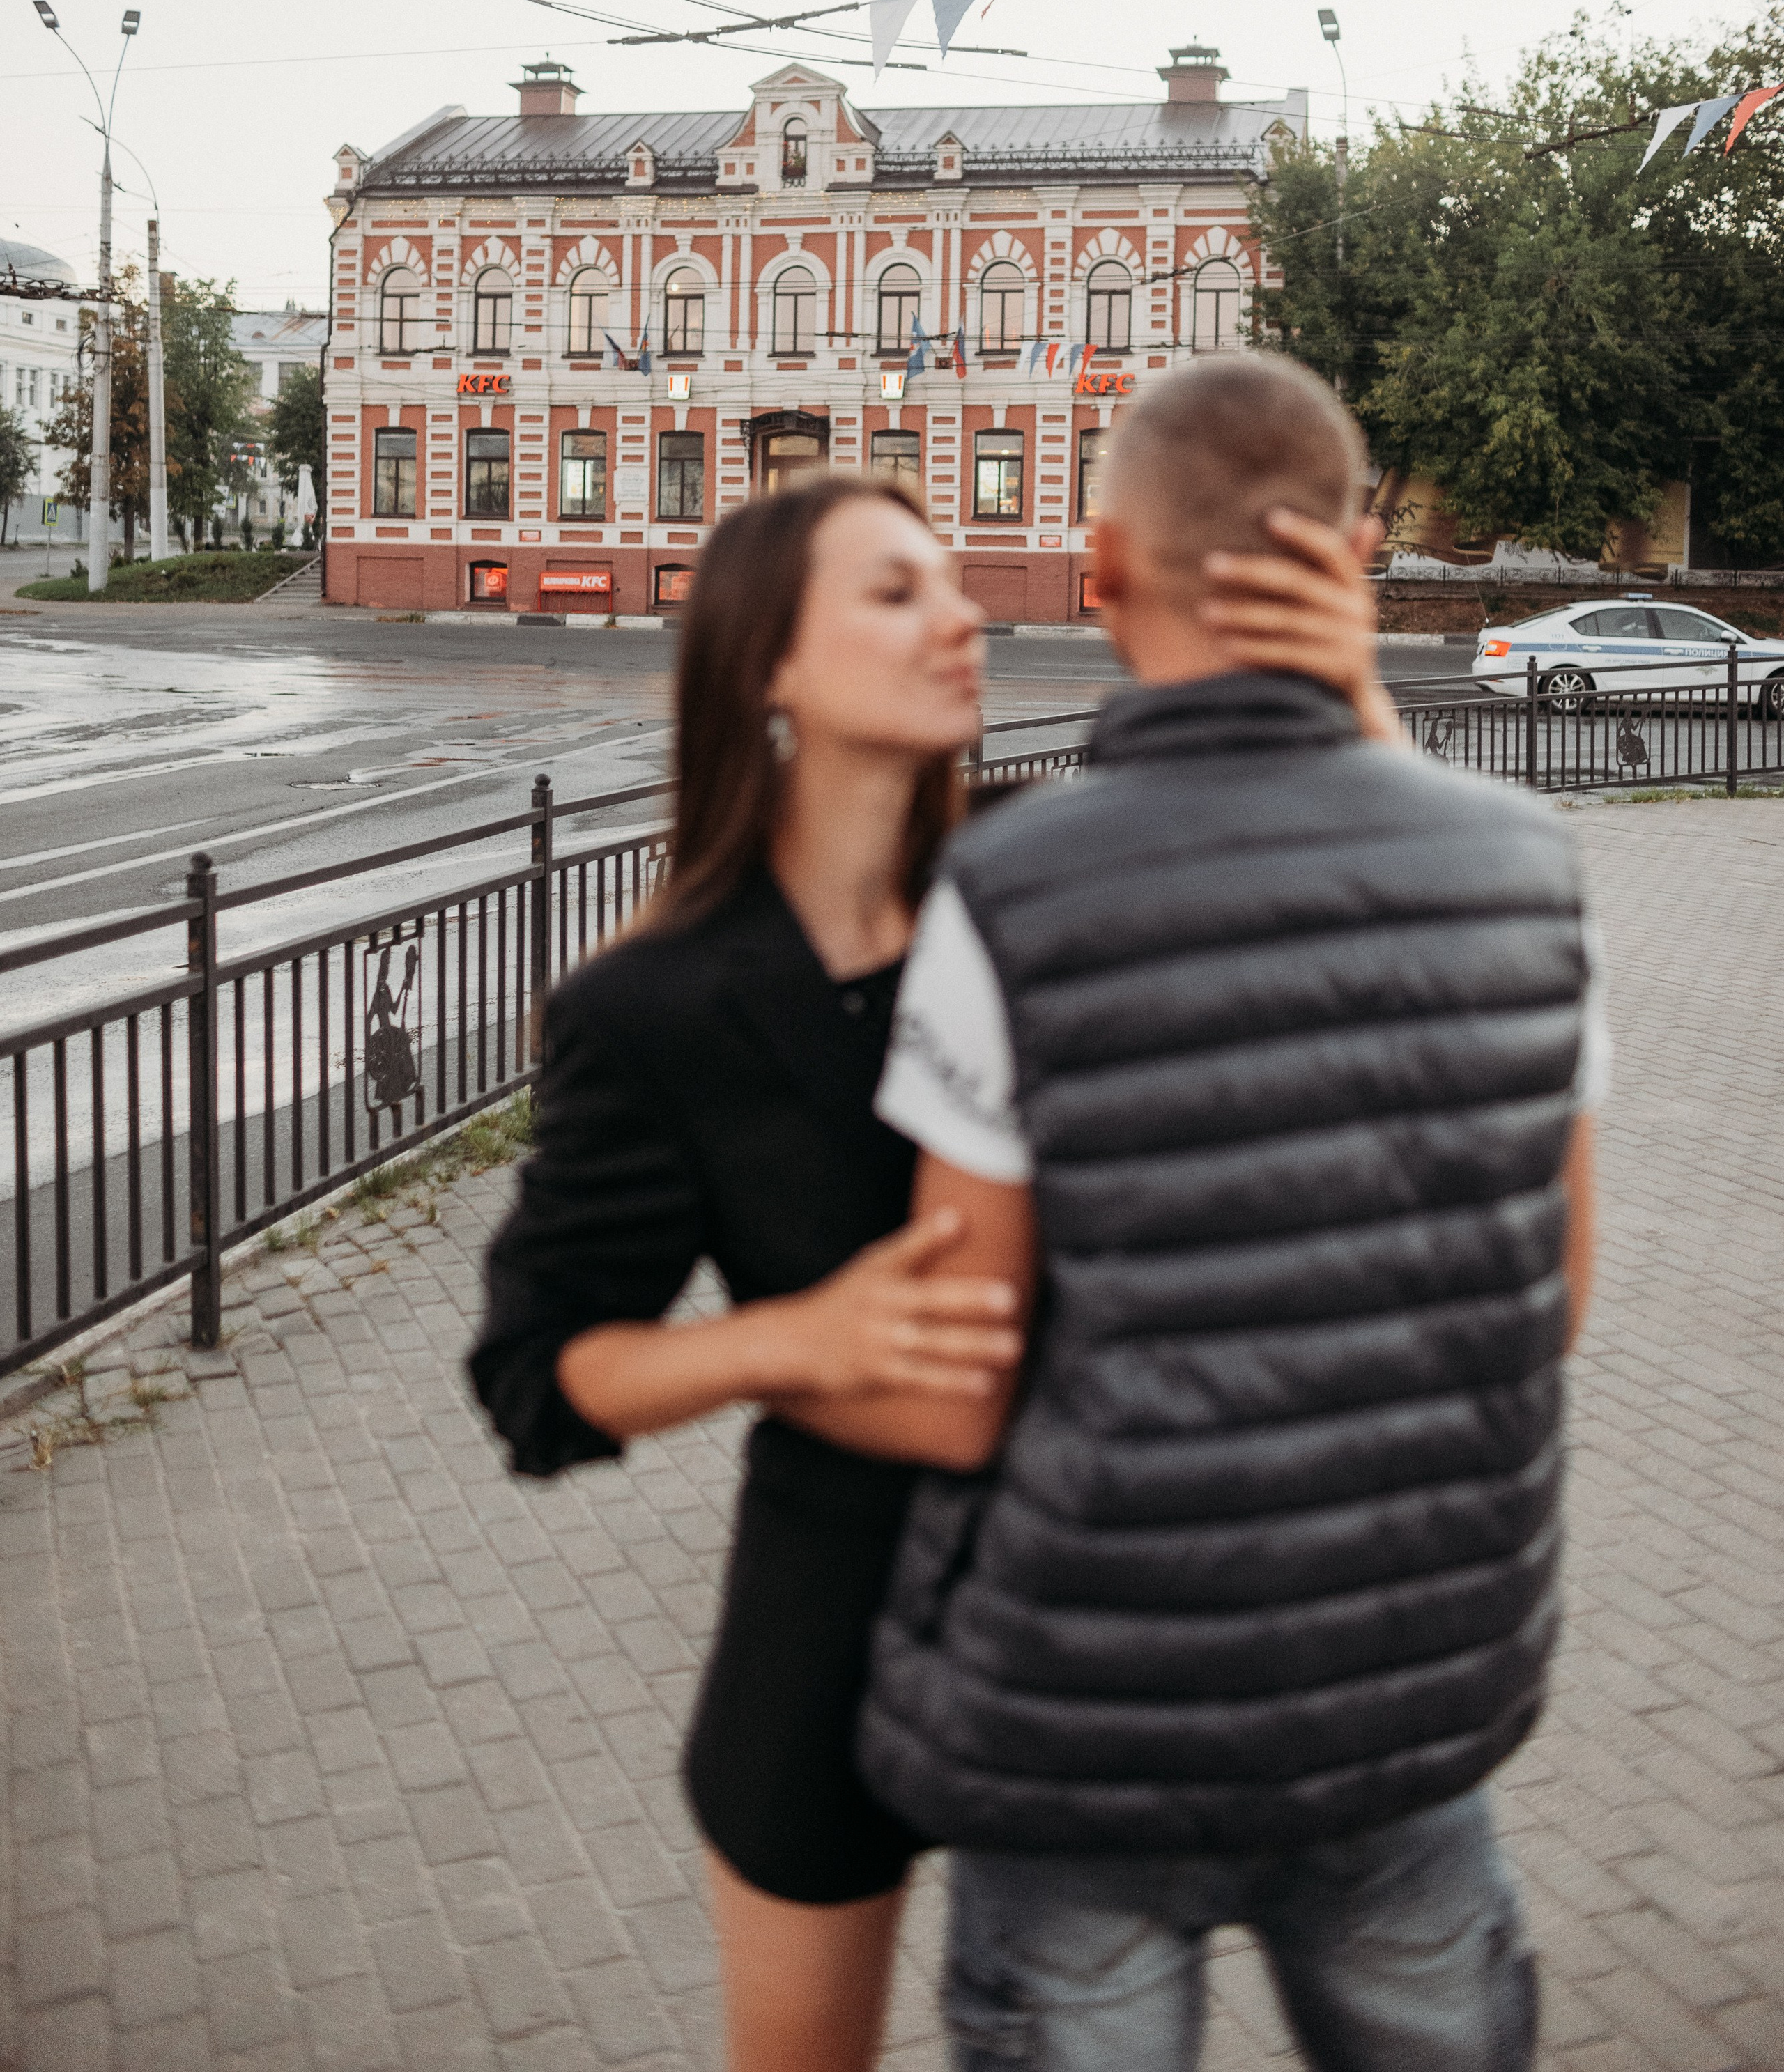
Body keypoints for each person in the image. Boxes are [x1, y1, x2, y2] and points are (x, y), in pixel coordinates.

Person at [468, 467, 1397, 2072]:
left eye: (955, 581)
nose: (962, 615)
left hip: (1105, 1605)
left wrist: (1349, 686)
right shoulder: (655, 1004)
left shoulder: (1046, 868)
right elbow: (539, 1375)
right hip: (829, 1616)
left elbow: (1360, 890)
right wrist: (793, 1338)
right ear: (767, 665)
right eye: (896, 589)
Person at [857, 354, 1602, 2072]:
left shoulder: (1009, 885)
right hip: (1406, 1695)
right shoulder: (1528, 868)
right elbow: (1550, 1297)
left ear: (1101, 568)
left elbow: (960, 1368)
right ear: (1352, 559)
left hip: (1083, 1724)